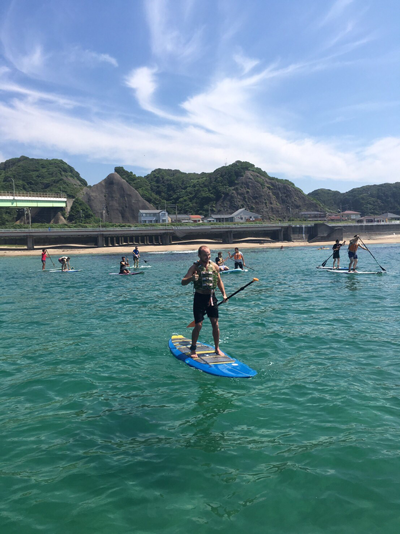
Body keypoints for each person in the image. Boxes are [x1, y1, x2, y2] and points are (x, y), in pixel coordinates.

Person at [182, 246, 228, 357]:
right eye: (205, 255)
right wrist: (191, 279)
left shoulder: (214, 266)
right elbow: (183, 282)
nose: (207, 257)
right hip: (199, 298)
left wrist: (224, 294)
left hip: (211, 298)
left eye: (209, 254)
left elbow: (219, 281)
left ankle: (217, 348)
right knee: (198, 325)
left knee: (215, 324)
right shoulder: (195, 267)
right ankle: (193, 349)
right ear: (199, 255)